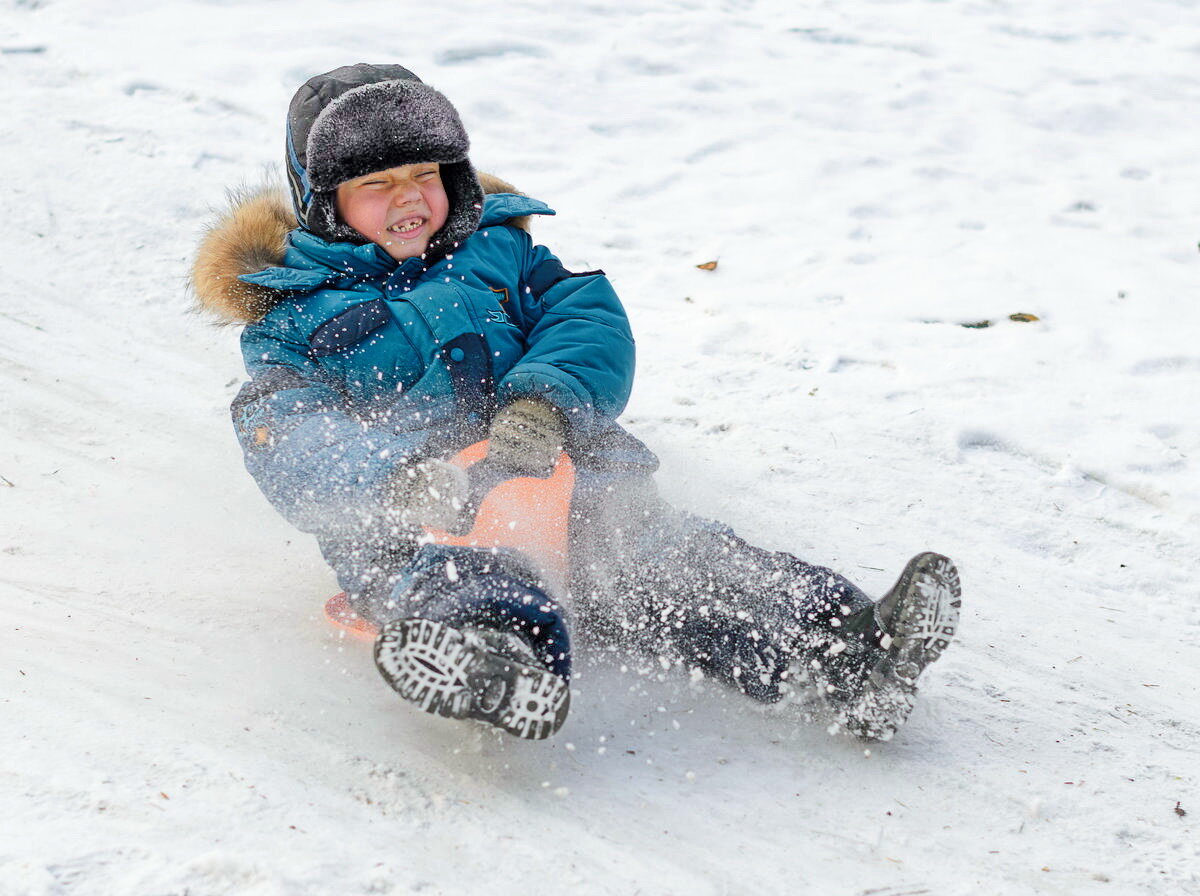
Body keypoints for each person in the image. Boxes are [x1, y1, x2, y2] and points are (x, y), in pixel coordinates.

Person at [192, 63, 961, 742]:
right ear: (325, 204)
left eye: (423, 174)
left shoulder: (502, 251)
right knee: (476, 578)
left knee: (683, 564)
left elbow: (585, 321)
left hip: (566, 477)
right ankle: (498, 665)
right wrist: (396, 479)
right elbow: (287, 436)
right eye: (376, 186)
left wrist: (543, 403)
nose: (410, 200)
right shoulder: (291, 319)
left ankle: (851, 653)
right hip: (427, 524)